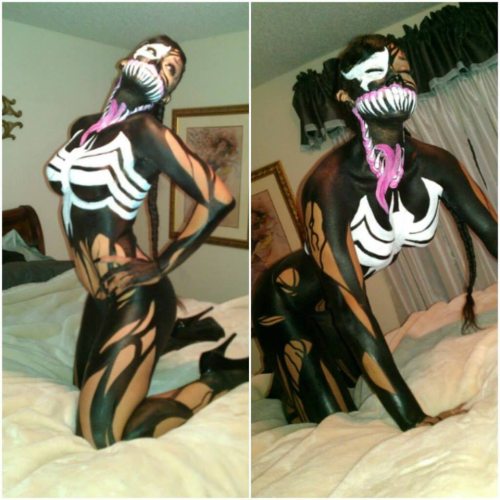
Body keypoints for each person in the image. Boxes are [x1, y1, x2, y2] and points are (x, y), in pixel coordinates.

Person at [252, 34, 497, 431]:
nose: (396, 80)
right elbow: (349, 307)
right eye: (376, 72)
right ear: (346, 96)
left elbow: (494, 233)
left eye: (402, 70)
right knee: (330, 421)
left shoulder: (437, 165)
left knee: (349, 387)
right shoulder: (330, 186)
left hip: (334, 303)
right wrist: (414, 419)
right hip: (284, 302)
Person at [45, 35, 248, 449]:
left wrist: (162, 263)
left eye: (169, 69)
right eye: (151, 56)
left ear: (166, 92)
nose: (157, 65)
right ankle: (175, 336)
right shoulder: (84, 128)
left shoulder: (146, 131)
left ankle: (218, 376)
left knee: (100, 435)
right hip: (99, 296)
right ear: (127, 62)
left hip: (137, 294)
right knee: (81, 387)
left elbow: (219, 198)